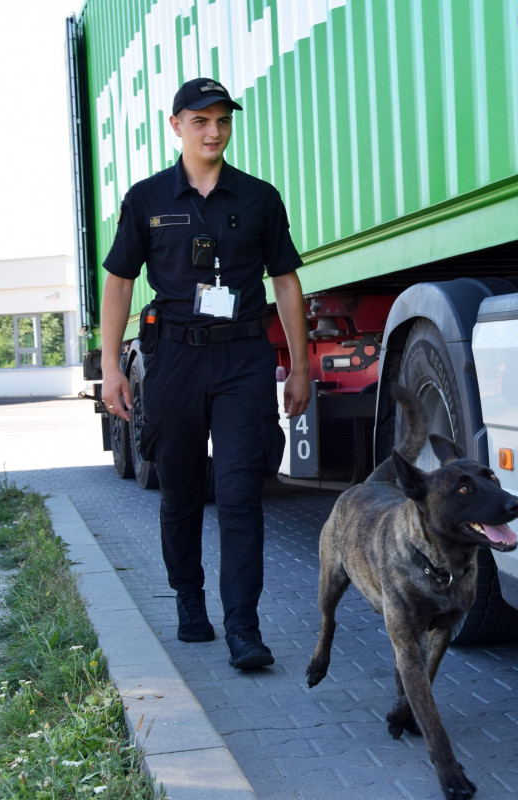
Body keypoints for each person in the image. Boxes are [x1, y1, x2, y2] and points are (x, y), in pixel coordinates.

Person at [99, 77, 311, 670]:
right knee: (184, 489)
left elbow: (286, 282)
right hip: (173, 361)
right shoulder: (147, 200)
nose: (213, 131)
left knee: (241, 493)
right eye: (200, 121)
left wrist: (300, 366)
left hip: (243, 357)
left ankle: (244, 625)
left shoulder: (260, 197)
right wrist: (111, 365)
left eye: (221, 120)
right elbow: (119, 281)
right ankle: (190, 601)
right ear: (177, 127)